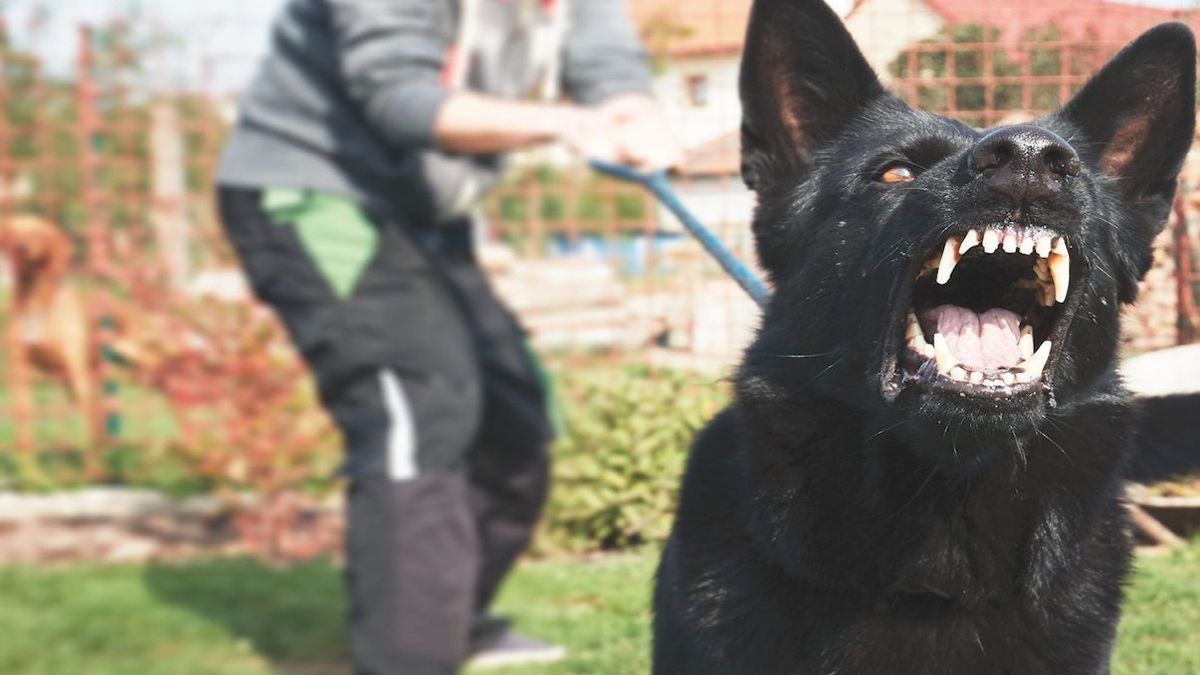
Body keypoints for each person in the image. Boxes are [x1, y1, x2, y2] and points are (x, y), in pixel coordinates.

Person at [214, 1, 679, 673]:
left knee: (514, 418)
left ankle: (452, 619)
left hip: (425, 213)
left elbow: (606, 64)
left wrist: (631, 110)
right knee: (418, 405)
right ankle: (411, 655)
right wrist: (569, 122)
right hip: (315, 192)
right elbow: (400, 98)